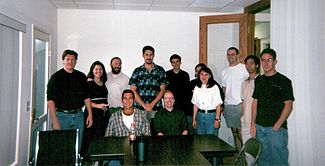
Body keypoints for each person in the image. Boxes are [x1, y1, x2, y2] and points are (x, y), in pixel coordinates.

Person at [251, 48, 294, 165]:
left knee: (279, 161)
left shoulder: (284, 81)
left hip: (276, 130)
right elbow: (255, 102)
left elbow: (288, 105)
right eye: (263, 60)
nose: (266, 63)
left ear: (275, 61)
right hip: (260, 127)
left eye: (269, 60)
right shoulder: (259, 80)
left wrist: (277, 125)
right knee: (262, 160)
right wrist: (252, 124)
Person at [47, 49, 93, 149]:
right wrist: (54, 120)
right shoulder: (55, 78)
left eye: (73, 60)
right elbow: (50, 100)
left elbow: (87, 97)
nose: (70, 62)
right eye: (68, 59)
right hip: (61, 117)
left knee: (77, 145)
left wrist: (90, 114)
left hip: (78, 116)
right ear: (63, 60)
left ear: (76, 61)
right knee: (61, 146)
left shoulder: (81, 76)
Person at [129, 45, 168, 124]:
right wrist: (144, 105)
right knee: (141, 134)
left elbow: (163, 90)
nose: (149, 57)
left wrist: (151, 105)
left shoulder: (160, 70)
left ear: (154, 55)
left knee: (156, 133)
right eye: (146, 55)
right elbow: (133, 90)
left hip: (156, 108)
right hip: (140, 109)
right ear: (143, 55)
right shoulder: (137, 71)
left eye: (151, 55)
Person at [221, 47, 248, 152]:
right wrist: (223, 105)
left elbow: (250, 85)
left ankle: (248, 159)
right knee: (234, 132)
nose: (230, 56)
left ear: (237, 55)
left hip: (240, 105)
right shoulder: (224, 71)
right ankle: (239, 157)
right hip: (229, 105)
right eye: (228, 54)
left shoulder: (244, 68)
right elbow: (224, 89)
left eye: (232, 54)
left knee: (242, 133)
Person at [81, 61, 109, 156]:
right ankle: (89, 160)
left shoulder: (104, 82)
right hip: (91, 113)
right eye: (96, 69)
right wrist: (98, 106)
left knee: (101, 136)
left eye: (100, 69)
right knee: (89, 137)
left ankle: (98, 160)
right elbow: (85, 100)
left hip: (103, 114)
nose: (98, 71)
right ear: (92, 71)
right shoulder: (88, 83)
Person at [165, 54, 192, 134]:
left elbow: (187, 91)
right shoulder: (167, 74)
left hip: (184, 105)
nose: (175, 64)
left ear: (180, 62)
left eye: (177, 62)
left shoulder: (185, 75)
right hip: (171, 104)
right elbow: (165, 90)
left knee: (184, 127)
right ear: (171, 63)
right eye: (173, 62)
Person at [192, 66, 223, 135]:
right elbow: (195, 105)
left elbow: (218, 105)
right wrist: (194, 119)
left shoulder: (214, 87)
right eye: (202, 74)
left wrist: (217, 119)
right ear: (199, 75)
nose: (204, 77)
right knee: (200, 140)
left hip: (211, 116)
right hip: (199, 116)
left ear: (210, 76)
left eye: (206, 74)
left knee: (211, 141)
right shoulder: (197, 88)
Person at [240, 55, 260, 166]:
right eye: (247, 64)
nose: (249, 66)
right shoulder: (244, 83)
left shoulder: (261, 81)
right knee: (247, 151)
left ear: (257, 65)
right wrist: (242, 119)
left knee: (257, 152)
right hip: (245, 121)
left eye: (251, 63)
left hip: (257, 122)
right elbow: (243, 102)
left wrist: (255, 122)